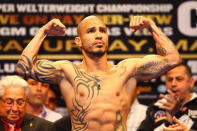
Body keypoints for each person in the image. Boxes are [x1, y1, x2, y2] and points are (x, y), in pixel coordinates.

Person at [16, 15, 181, 130]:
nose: (98, 35)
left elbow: (172, 59)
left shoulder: (127, 70)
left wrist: (151, 26)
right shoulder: (67, 71)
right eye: (91, 31)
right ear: (78, 41)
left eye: (102, 31)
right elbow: (24, 68)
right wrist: (43, 32)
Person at [138, 64, 197, 131]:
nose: (173, 84)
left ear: (191, 82)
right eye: (170, 79)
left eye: (179, 79)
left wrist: (177, 114)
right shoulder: (157, 107)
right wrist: (169, 119)